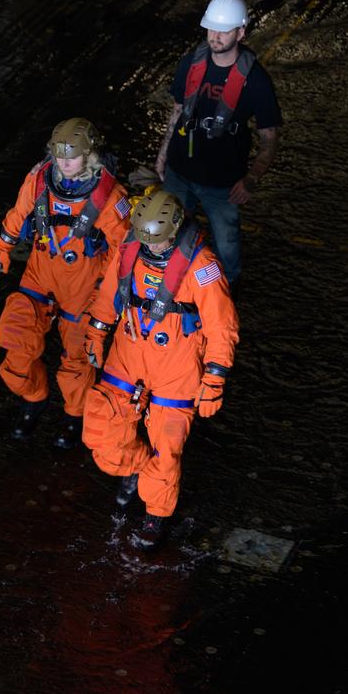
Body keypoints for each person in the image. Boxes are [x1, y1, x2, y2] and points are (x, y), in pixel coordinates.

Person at [81, 190, 239, 548]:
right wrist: (96, 331)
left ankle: (156, 514)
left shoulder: (202, 267)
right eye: (145, 240)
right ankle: (136, 468)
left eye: (158, 241)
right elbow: (109, 293)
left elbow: (222, 325)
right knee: (101, 427)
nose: (151, 248)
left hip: (177, 364)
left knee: (166, 446)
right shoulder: (130, 247)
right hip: (129, 351)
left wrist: (214, 377)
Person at [0, 118, 131, 447]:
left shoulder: (109, 196)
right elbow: (20, 210)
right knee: (15, 340)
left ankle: (74, 415)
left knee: (76, 357)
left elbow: (124, 251)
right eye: (60, 155)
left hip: (83, 282)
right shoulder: (40, 179)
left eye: (73, 156)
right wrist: (4, 245)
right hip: (40, 271)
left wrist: (104, 292)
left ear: (89, 155)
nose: (65, 162)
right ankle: (34, 397)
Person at [155, 0, 282, 286]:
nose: (216, 36)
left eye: (224, 30)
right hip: (179, 171)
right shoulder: (191, 64)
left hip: (222, 184)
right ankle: (172, 288)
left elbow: (270, 137)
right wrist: (162, 155)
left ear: (240, 32)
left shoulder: (256, 81)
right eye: (212, 28)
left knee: (226, 245)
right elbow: (177, 111)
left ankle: (227, 294)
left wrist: (252, 178)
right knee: (169, 235)